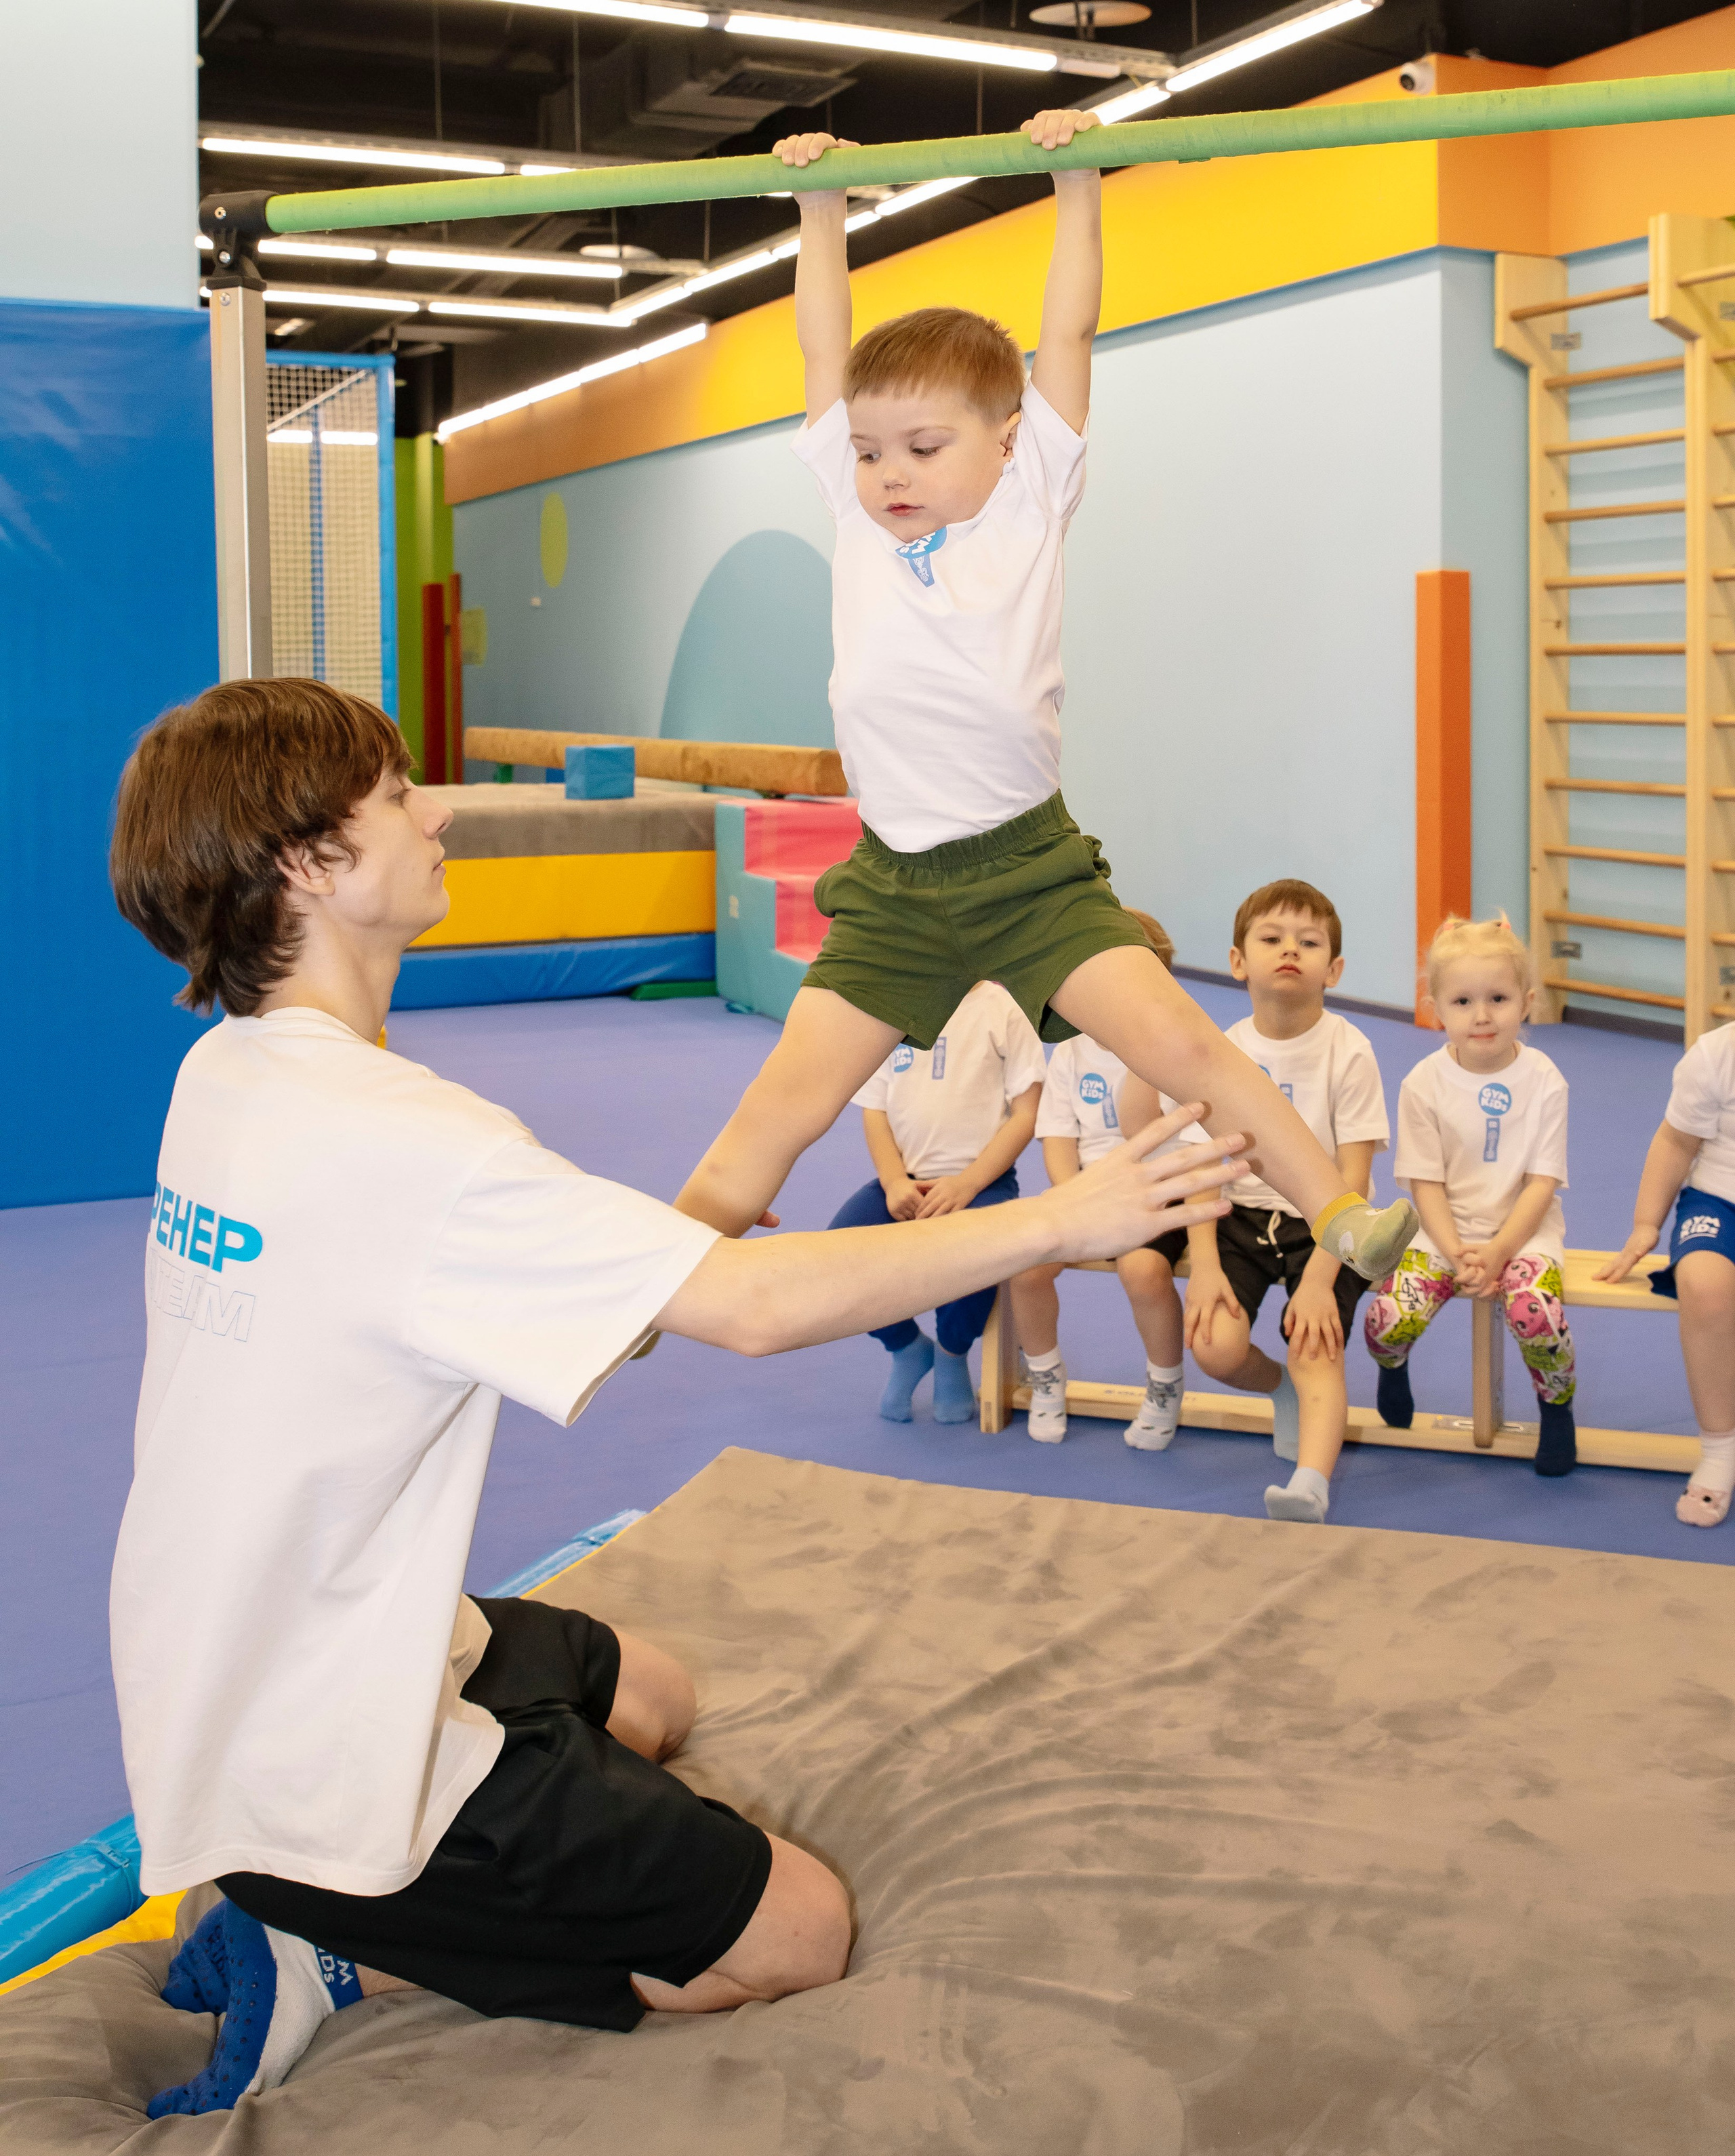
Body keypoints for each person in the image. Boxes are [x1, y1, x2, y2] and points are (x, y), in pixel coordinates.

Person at [107, 680, 1247, 2116]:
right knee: (797, 1932)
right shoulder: (411, 1144)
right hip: (319, 1756)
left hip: (224, 1682)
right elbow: (752, 1314)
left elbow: (588, 1286)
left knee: (651, 1695)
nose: (438, 810)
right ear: (312, 865)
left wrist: (701, 1216)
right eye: (398, 796)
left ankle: (331, 1890)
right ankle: (337, 1948)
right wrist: (1058, 1223)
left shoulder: (231, 1075)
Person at [669, 110, 1417, 1299]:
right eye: (869, 454)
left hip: (1029, 875)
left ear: (1008, 444)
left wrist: (1078, 181)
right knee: (784, 1102)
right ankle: (661, 1275)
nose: (889, 475)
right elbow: (827, 359)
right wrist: (820, 214)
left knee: (1181, 1044)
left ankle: (1338, 1210)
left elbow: (1068, 327)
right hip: (896, 884)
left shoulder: (1031, 502)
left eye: (920, 447)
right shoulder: (855, 518)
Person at [1175, 882, 1390, 1524]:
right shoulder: (1222, 1050)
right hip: (1240, 1217)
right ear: (1239, 961)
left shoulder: (1349, 1051)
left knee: (1314, 1340)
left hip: (1327, 1225)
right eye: (1271, 939)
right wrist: (1206, 1264)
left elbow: (1351, 1180)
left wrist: (1322, 1279)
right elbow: (1204, 1167)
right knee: (1213, 1344)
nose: (1290, 950)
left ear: (1335, 968)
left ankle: (1311, 1484)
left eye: (1309, 941)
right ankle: (1280, 1389)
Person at [1364, 915, 1576, 1478]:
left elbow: (1541, 1181)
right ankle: (1394, 1367)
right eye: (1462, 1001)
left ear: (1527, 1002)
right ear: (1436, 1005)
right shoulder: (1423, 1083)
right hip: (1443, 1232)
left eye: (1499, 998)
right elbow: (1425, 1183)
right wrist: (1457, 1251)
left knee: (1540, 1319)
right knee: (1385, 1320)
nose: (1482, 1015)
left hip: (1524, 1231)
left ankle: (1557, 1410)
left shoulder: (1545, 1079)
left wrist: (1503, 1249)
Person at [1011, 910, 1204, 1450]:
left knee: (1143, 1272)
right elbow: (1057, 1137)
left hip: (1157, 1189)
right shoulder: (1072, 1050)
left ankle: (1165, 1385)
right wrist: (1073, 1197)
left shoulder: (1171, 1047)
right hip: (1089, 1190)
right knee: (1024, 1264)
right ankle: (1045, 1373)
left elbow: (1181, 1138)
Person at [829, 979, 1046, 1424]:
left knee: (973, 1252)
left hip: (982, 1182)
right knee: (833, 1257)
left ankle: (952, 1351)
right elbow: (875, 1109)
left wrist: (967, 1184)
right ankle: (907, 1348)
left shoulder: (1004, 1008)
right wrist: (892, 1181)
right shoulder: (890, 999)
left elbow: (1026, 1114)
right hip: (903, 1183)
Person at [1597, 1019, 1735, 1525]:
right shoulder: (1716, 1055)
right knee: (1704, 1284)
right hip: (1721, 1202)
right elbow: (1676, 1142)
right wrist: (1644, 1224)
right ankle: (1720, 1449)